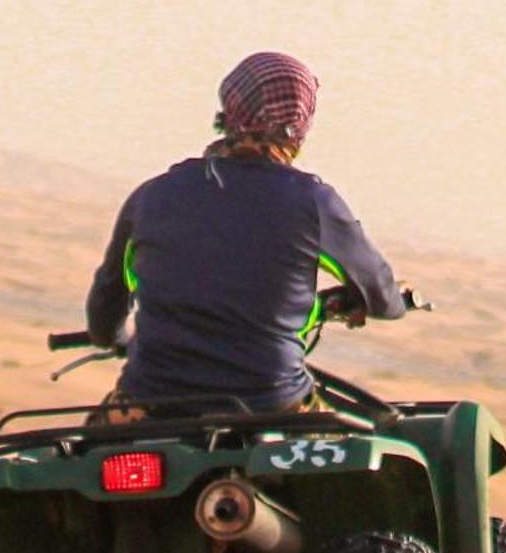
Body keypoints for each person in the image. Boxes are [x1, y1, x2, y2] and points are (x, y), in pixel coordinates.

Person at [85, 51, 408, 415]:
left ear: (230, 108)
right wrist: (375, 301)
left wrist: (114, 339)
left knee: (84, 457)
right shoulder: (313, 203)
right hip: (272, 407)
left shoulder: (151, 197)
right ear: (301, 123)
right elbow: (381, 296)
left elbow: (105, 309)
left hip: (151, 404)